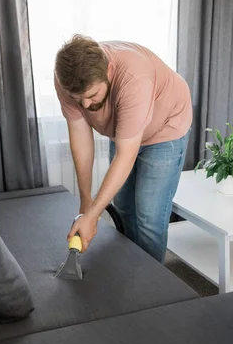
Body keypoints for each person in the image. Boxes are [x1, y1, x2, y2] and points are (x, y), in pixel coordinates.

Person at [54, 35, 192, 264]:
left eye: (91, 96)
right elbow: (81, 137)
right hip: (125, 129)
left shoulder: (133, 77)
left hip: (166, 128)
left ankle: (150, 285)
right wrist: (86, 200)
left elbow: (125, 156)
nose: (86, 106)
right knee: (125, 206)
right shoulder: (66, 80)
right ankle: (130, 270)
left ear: (108, 71)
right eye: (78, 99)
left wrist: (93, 215)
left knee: (148, 216)